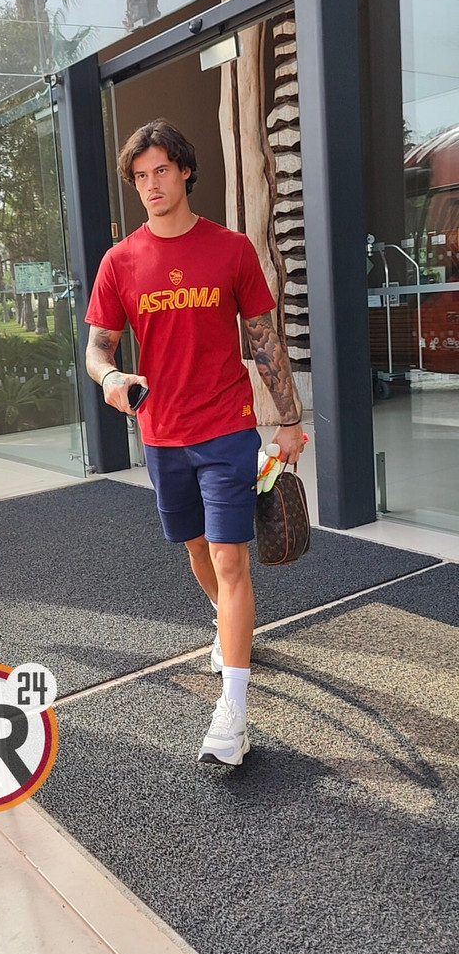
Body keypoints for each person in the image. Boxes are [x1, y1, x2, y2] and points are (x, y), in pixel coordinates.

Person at [85, 118, 305, 766]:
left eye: (161, 170)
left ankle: (232, 713)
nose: (151, 184)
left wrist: (288, 419)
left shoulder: (231, 249)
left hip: (228, 427)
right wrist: (111, 378)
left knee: (232, 560)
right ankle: (226, 624)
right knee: (198, 549)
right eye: (140, 176)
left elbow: (263, 338)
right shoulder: (119, 262)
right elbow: (97, 350)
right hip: (162, 434)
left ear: (184, 171)